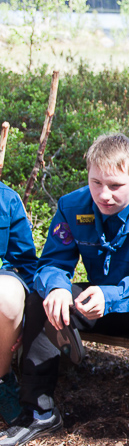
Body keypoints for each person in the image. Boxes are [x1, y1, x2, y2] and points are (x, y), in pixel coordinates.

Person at [0, 133, 129, 446]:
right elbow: (52, 262)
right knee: (41, 298)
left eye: (115, 185)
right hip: (94, 302)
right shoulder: (73, 205)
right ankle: (38, 410)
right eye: (96, 183)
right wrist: (57, 287)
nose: (104, 194)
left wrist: (111, 297)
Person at [0, 182, 38, 424]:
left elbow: (24, 265)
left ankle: (2, 380)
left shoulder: (6, 199)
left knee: (7, 295)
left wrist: (29, 319)